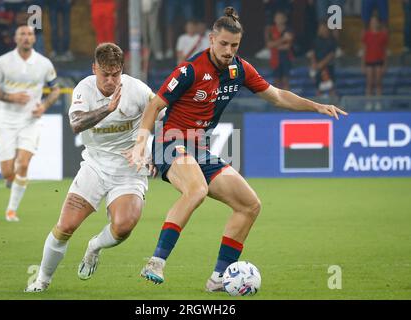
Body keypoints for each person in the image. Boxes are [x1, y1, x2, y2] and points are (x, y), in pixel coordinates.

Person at [126, 7, 347, 291]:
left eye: (234, 45)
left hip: (200, 149)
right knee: (197, 191)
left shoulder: (239, 69)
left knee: (250, 205)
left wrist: (316, 106)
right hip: (171, 144)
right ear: (211, 39)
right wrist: (141, 143)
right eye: (224, 44)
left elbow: (277, 96)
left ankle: (218, 277)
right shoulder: (190, 69)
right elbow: (155, 104)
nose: (229, 50)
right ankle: (156, 261)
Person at [24, 43, 160, 293]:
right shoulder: (84, 89)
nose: (110, 80)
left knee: (124, 227)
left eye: (116, 74)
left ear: (122, 70)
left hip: (129, 170)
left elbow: (163, 114)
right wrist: (108, 108)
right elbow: (76, 124)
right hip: (95, 167)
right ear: (94, 68)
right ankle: (42, 280)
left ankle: (94, 247)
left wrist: (150, 151)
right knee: (65, 227)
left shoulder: (138, 89)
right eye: (105, 74)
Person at [0, 25, 60, 222]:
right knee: (8, 172)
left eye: (29, 34)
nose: (26, 38)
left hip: (30, 120)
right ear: (15, 38)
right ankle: (11, 180)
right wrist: (10, 97)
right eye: (22, 34)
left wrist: (43, 106)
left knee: (24, 164)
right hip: (5, 120)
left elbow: (55, 90)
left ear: (34, 39)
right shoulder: (3, 62)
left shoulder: (43, 63)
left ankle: (11, 210)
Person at [362, 15, 388, 110]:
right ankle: (368, 103)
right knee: (369, 83)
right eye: (372, 21)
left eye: (375, 21)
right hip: (369, 61)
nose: (373, 23)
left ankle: (378, 103)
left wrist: (385, 64)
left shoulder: (382, 35)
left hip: (379, 61)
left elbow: (385, 50)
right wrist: (363, 64)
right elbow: (364, 49)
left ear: (378, 23)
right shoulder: (367, 34)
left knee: (378, 82)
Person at [266, 11, 293, 90]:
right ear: (274, 19)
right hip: (275, 58)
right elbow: (269, 45)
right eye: (277, 18)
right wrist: (283, 39)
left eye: (281, 18)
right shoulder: (271, 30)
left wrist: (275, 45)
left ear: (285, 19)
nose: (279, 20)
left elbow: (287, 46)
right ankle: (278, 101)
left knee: (286, 80)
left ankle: (287, 100)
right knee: (276, 81)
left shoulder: (289, 30)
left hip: (286, 57)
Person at [309, 23, 337, 97]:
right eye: (321, 28)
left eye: (324, 28)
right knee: (318, 87)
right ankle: (318, 106)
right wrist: (314, 63)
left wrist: (322, 64)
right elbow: (313, 53)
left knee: (331, 86)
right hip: (318, 67)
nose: (322, 30)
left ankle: (335, 105)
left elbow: (331, 54)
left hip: (328, 66)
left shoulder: (332, 40)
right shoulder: (316, 40)